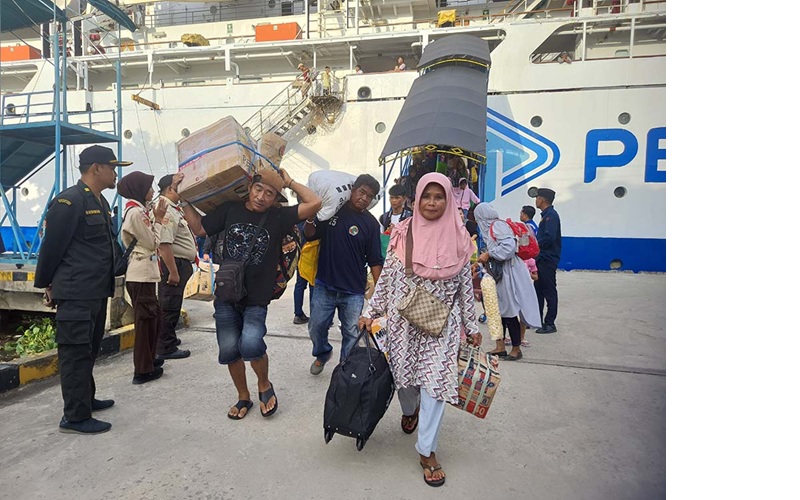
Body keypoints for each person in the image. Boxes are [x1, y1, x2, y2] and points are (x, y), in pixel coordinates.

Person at [359, 173, 481, 488]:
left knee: (436, 386)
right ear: (417, 199)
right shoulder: (402, 233)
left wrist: (471, 324)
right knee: (406, 383)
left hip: (442, 327)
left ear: (449, 201)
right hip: (402, 325)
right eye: (427, 196)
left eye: (439, 197)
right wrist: (370, 312)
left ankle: (427, 451)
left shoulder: (460, 238)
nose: (432, 202)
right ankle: (409, 410)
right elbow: (385, 280)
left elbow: (466, 289)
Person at [179, 168, 322, 419]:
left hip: (257, 297)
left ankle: (264, 384)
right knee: (229, 349)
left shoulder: (278, 216)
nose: (261, 197)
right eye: (258, 190)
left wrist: (289, 182)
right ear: (250, 187)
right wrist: (182, 199)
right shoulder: (230, 209)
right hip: (226, 293)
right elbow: (200, 228)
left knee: (251, 344)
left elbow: (315, 203)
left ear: (275, 198)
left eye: (269, 193)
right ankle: (243, 397)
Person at [34, 145, 132, 434]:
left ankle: (85, 399)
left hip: (95, 290)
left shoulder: (98, 201)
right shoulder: (69, 202)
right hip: (76, 292)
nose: (116, 173)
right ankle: (75, 417)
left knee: (88, 349)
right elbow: (51, 248)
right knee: (75, 353)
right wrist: (47, 285)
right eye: (112, 167)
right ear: (96, 169)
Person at [304, 174, 383, 375]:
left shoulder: (372, 224)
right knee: (316, 327)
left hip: (353, 291)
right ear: (352, 190)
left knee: (351, 333)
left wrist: (382, 291)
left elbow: (374, 259)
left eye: (369, 196)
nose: (364, 198)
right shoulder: (332, 210)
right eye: (361, 192)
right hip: (325, 285)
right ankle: (322, 353)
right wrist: (311, 217)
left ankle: (344, 371)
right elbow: (311, 234)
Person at [118, 172, 169, 384]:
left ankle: (148, 359)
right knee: (145, 321)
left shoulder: (139, 210)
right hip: (141, 273)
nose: (152, 191)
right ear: (139, 189)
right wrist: (157, 220)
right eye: (148, 187)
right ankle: (142, 370)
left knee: (152, 317)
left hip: (145, 273)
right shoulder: (136, 213)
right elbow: (152, 243)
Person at [474, 203, 541, 360]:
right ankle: (500, 346)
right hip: (500, 274)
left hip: (509, 273)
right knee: (499, 310)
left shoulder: (497, 226)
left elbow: (509, 248)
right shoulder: (492, 227)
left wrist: (489, 254)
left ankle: (516, 349)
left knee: (509, 311)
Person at [155, 174, 195, 361]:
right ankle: (165, 346)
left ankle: (168, 338)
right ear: (170, 189)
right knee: (169, 305)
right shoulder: (167, 210)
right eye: (179, 185)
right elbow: (164, 244)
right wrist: (173, 271)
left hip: (179, 262)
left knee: (172, 303)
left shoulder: (173, 208)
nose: (183, 187)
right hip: (174, 263)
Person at [533, 188, 562, 334]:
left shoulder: (551, 216)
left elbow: (549, 238)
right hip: (541, 258)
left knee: (549, 290)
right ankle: (537, 319)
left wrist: (534, 244)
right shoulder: (546, 215)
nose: (536, 200)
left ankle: (550, 323)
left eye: (537, 197)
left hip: (547, 259)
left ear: (542, 199)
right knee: (538, 290)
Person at [293, 221, 314, 325]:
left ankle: (298, 314)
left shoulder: (297, 222)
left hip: (300, 259)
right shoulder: (313, 221)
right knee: (313, 286)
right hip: (312, 259)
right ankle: (315, 315)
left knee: (300, 286)